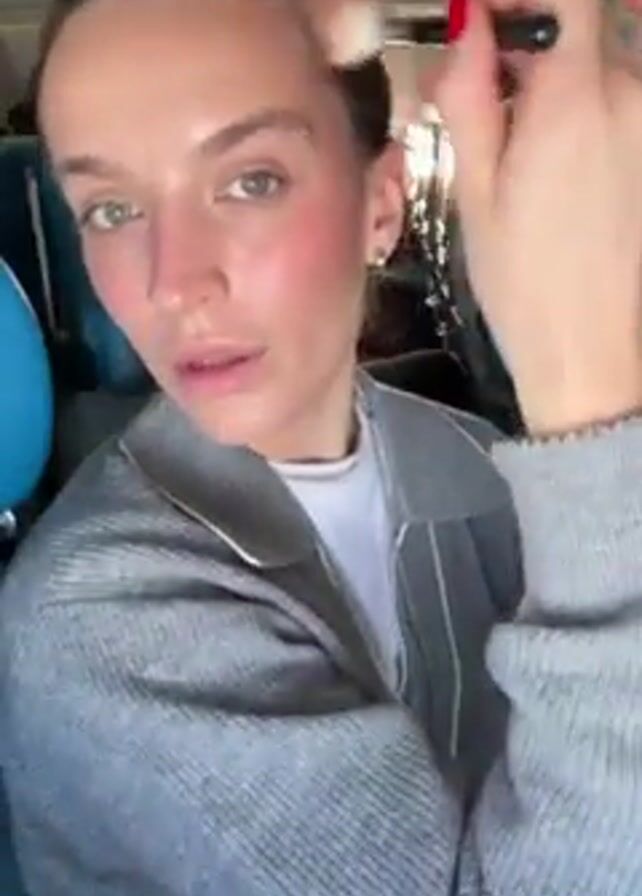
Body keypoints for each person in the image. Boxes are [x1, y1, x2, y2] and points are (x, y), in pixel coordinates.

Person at [1, 0, 642, 893]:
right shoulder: (98, 618)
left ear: (381, 207)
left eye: (250, 181)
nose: (174, 282)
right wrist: (590, 400)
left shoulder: (476, 464)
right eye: (111, 209)